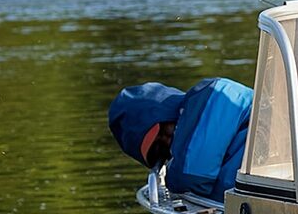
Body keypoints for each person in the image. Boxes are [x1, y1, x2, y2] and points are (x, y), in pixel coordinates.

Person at [108, 78, 252, 202]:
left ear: (164, 112)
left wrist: (172, 180)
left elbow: (191, 176)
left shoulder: (212, 94)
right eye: (158, 150)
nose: (166, 141)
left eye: (162, 131)